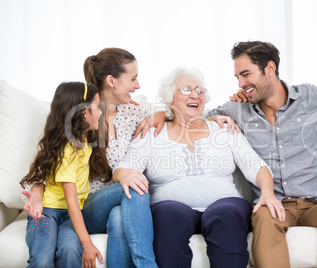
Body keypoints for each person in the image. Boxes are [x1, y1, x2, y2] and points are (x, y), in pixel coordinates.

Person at [113, 67, 283, 268]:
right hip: (171, 206)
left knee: (226, 212)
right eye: (186, 89)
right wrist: (125, 175)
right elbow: (122, 169)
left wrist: (268, 192)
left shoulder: (223, 129)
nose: (195, 94)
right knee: (168, 213)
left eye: (199, 90)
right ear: (170, 99)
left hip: (225, 204)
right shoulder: (152, 133)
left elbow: (256, 166)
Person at [23, 48, 158, 267]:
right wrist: (37, 192)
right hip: (84, 206)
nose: (138, 86)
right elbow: (48, 166)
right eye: (133, 79)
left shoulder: (134, 112)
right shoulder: (83, 118)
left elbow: (182, 114)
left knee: (118, 215)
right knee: (135, 184)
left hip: (113, 205)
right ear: (112, 81)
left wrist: (162, 115)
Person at [20, 82, 109, 268]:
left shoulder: (86, 142)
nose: (100, 112)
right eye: (97, 106)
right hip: (47, 211)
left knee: (70, 252)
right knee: (42, 260)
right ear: (84, 112)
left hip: (71, 216)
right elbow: (71, 200)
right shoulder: (68, 148)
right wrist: (87, 242)